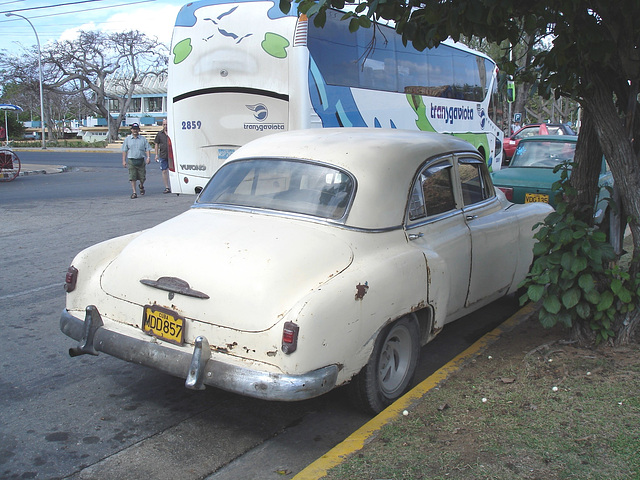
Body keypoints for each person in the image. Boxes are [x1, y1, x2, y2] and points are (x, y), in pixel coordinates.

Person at [121, 123, 151, 199]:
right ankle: (134, 192)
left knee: (142, 177)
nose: (135, 131)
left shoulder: (143, 139)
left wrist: (148, 157)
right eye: (134, 129)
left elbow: (147, 148)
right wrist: (124, 161)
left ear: (138, 130)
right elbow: (124, 150)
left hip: (141, 160)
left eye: (136, 129)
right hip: (131, 160)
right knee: (132, 177)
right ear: (131, 130)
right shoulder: (127, 139)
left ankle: (141, 186)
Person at [154, 119, 171, 193]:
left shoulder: (172, 132)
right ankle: (167, 187)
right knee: (164, 171)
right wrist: (156, 155)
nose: (165, 126)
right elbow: (156, 144)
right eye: (164, 124)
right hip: (163, 155)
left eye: (167, 124)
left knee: (173, 171)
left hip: (172, 156)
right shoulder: (159, 134)